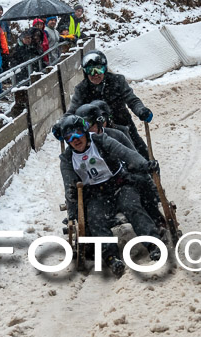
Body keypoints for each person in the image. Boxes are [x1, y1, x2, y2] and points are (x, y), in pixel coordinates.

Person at [54, 114, 162, 276]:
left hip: (120, 184)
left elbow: (126, 153)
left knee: (131, 206)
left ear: (84, 132)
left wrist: (144, 164)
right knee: (95, 218)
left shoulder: (100, 141)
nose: (75, 140)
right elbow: (69, 185)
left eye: (78, 134)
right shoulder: (67, 159)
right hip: (96, 194)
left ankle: (153, 244)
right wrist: (72, 202)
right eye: (70, 137)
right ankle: (111, 257)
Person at [76, 103, 165, 230]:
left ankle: (155, 220)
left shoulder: (117, 134)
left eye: (89, 126)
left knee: (141, 187)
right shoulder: (79, 146)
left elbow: (131, 155)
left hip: (122, 180)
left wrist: (143, 167)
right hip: (96, 190)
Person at [67, 50, 153, 160]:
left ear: (105, 68)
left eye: (99, 69)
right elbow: (72, 111)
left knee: (141, 153)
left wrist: (141, 110)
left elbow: (132, 100)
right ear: (85, 72)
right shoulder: (82, 89)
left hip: (123, 124)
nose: (95, 74)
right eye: (90, 70)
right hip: (96, 131)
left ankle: (149, 170)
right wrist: (63, 125)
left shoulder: (117, 81)